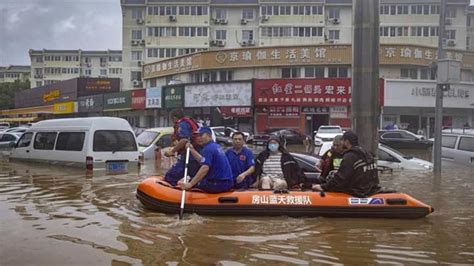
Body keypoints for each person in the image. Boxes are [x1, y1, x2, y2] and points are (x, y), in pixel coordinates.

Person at [312, 131, 380, 197]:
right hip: (369, 190)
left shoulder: (350, 156)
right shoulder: (367, 154)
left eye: (342, 141)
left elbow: (340, 179)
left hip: (356, 192)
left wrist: (323, 187)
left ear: (347, 142)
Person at [178, 127, 234, 193]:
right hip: (226, 182)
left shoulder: (208, 149)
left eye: (201, 135)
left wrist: (190, 184)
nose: (198, 138)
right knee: (192, 179)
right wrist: (192, 150)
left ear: (209, 135)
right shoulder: (215, 146)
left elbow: (205, 168)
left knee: (191, 181)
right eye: (197, 136)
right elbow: (203, 161)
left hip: (219, 184)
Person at [163, 109, 201, 186]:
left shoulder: (182, 124)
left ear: (174, 118)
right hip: (195, 155)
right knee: (194, 177)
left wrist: (172, 151)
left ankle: (172, 194)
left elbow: (184, 139)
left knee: (170, 177)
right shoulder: (188, 123)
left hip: (189, 156)